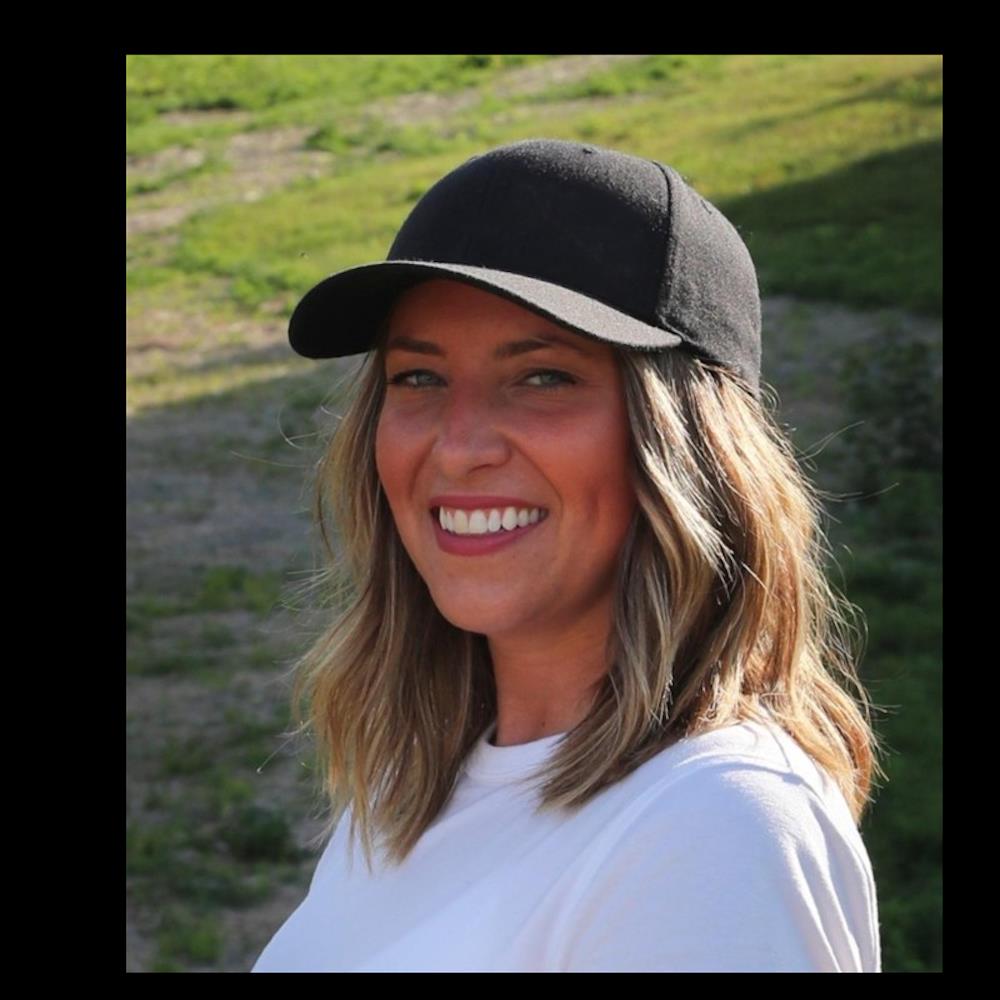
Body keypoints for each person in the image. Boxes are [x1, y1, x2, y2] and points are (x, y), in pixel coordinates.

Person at [251, 137, 886, 973]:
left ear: (688, 444)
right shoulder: (408, 791)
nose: (459, 447)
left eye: (543, 377)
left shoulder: (711, 829)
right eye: (419, 379)